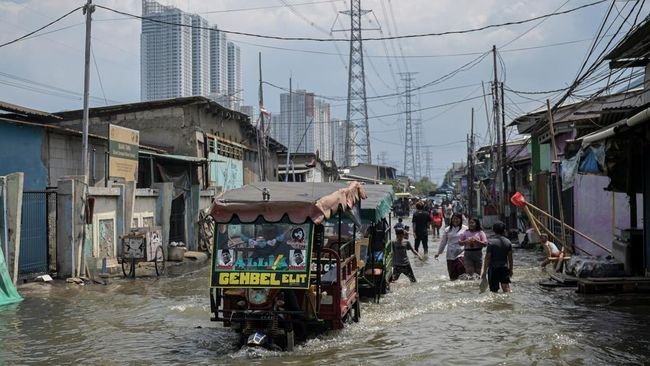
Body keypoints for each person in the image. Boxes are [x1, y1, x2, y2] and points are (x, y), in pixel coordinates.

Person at [481, 221, 513, 293]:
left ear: (493, 230)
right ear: (504, 230)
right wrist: (511, 270)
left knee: (494, 291)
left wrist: (484, 271)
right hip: (504, 268)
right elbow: (510, 258)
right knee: (506, 288)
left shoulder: (491, 242)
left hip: (493, 269)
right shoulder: (508, 242)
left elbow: (487, 258)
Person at [435, 213, 467, 280]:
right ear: (451, 219)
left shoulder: (465, 229)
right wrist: (438, 252)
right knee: (452, 276)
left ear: (461, 220)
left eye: (457, 219)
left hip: (462, 253)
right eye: (454, 219)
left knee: (461, 269)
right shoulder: (447, 229)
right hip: (450, 253)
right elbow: (443, 242)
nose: (455, 220)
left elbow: (469, 240)